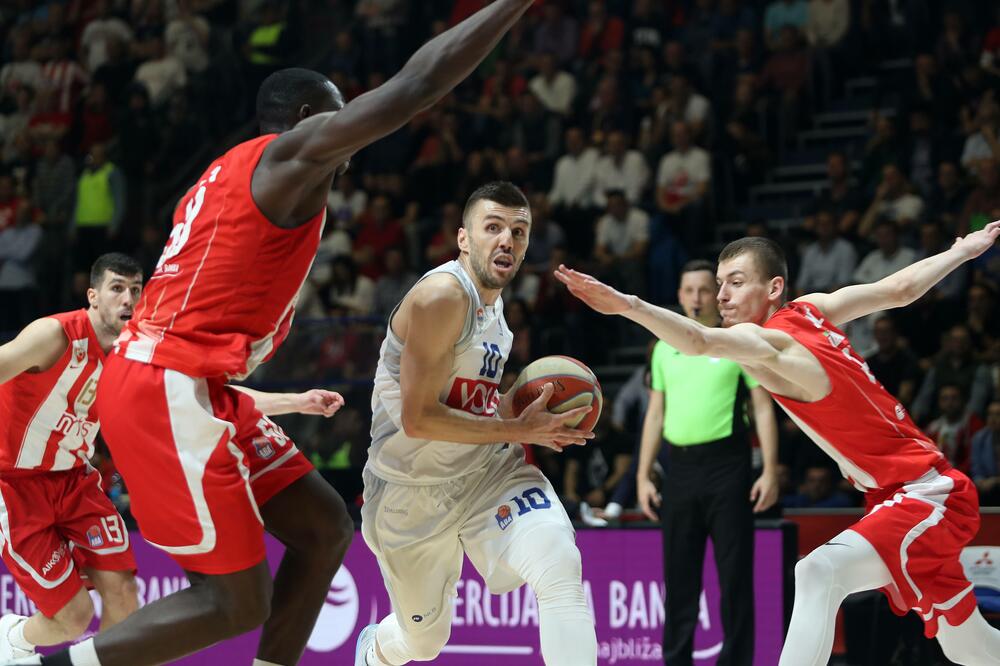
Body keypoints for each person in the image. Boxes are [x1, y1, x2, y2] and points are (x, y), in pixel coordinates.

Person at [12, 4, 540, 666]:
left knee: (323, 528)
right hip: (164, 385)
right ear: (302, 122)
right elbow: (415, 87)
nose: (347, 133)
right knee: (236, 600)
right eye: (335, 114)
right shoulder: (287, 157)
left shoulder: (239, 179)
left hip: (196, 382)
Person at [554, 219, 1000, 665]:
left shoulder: (769, 340)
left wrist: (627, 304)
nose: (722, 295)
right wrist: (961, 250)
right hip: (902, 493)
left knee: (817, 572)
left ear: (774, 288)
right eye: (719, 283)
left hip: (926, 495)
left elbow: (698, 340)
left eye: (736, 283)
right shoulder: (813, 308)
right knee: (968, 643)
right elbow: (899, 289)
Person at [356, 182, 598, 666]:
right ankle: (375, 651)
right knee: (424, 643)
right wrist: (519, 431)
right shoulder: (442, 296)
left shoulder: (497, 308)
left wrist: (527, 413)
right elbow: (419, 418)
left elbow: (476, 406)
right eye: (493, 228)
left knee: (558, 561)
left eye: (519, 231)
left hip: (487, 472)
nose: (507, 240)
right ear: (464, 239)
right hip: (411, 492)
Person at [0, 254, 142, 661]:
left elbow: (203, 398)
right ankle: (10, 640)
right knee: (74, 618)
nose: (128, 299)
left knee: (124, 595)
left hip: (76, 481)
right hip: (15, 485)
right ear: (93, 296)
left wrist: (293, 400)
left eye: (136, 290)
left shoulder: (135, 354)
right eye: (117, 288)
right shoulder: (55, 335)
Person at [637, 260, 778, 666]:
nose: (697, 298)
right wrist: (645, 475)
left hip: (728, 467)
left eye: (704, 289)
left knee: (734, 576)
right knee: (679, 578)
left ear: (716, 294)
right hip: (679, 470)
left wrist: (768, 469)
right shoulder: (664, 347)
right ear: (679, 296)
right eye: (689, 291)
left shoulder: (737, 341)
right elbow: (655, 415)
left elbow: (763, 408)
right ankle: (676, 659)